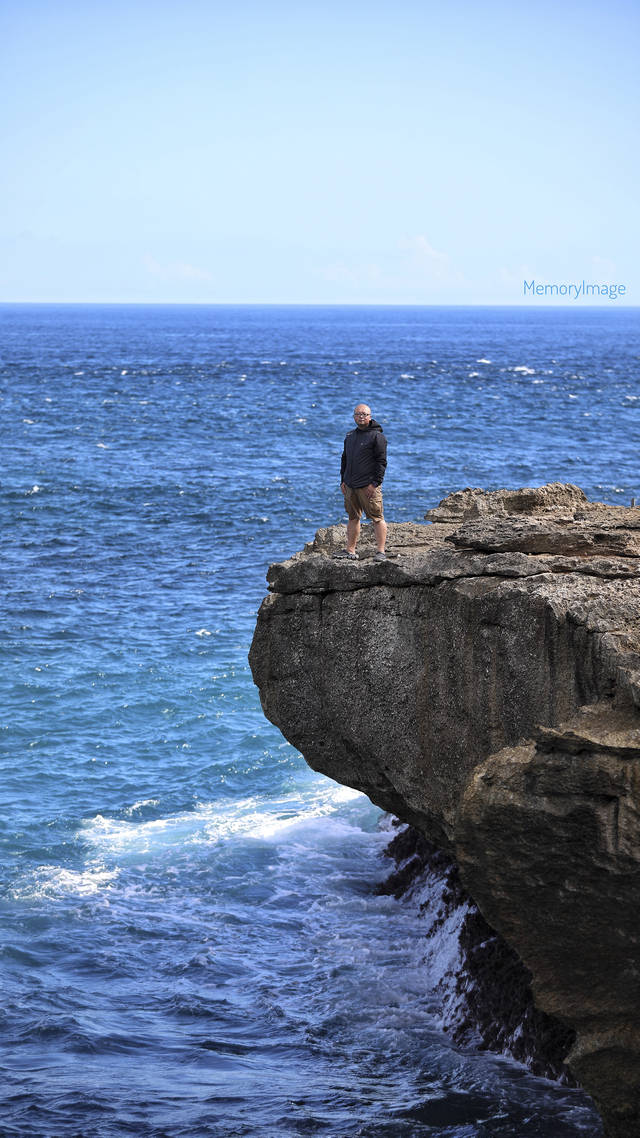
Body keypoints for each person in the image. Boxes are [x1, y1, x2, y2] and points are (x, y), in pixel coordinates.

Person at [333, 403, 387, 560]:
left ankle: (381, 552)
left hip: (368, 486)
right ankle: (350, 550)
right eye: (358, 414)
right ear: (354, 417)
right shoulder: (350, 436)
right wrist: (343, 480)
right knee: (353, 517)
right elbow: (345, 459)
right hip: (350, 485)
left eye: (364, 414)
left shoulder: (377, 437)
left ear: (370, 417)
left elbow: (381, 462)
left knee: (377, 517)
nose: (361, 416)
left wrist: (374, 484)